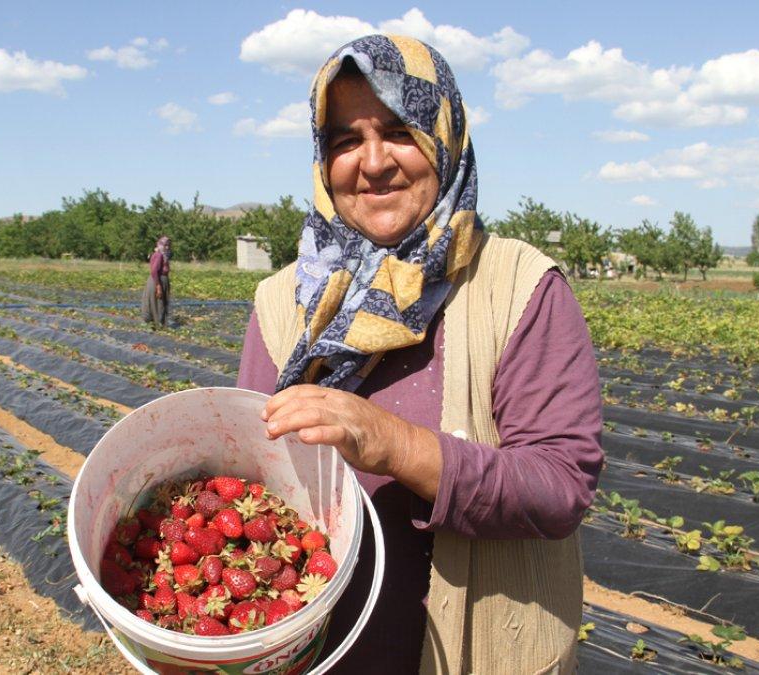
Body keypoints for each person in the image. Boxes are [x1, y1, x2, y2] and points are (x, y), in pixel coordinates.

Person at [236, 35, 603, 674]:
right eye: (345, 140)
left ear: (445, 137)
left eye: (399, 131)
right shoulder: (283, 302)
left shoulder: (519, 286)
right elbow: (254, 478)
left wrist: (395, 446)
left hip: (478, 651)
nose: (371, 162)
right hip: (321, 651)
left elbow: (559, 485)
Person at [141, 235, 171, 327]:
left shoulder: (161, 255)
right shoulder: (159, 255)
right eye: (164, 245)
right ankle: (157, 325)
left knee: (157, 303)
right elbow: (154, 271)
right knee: (158, 303)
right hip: (157, 281)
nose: (167, 247)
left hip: (158, 280)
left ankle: (155, 324)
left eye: (168, 245)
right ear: (159, 245)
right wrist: (158, 286)